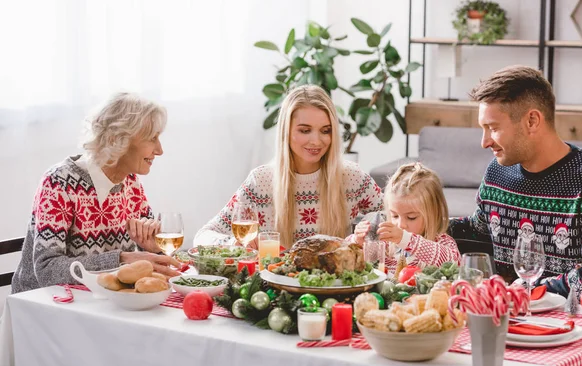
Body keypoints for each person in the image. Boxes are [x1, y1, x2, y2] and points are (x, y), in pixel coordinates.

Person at [449, 65, 582, 298]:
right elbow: (478, 232)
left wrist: (525, 293)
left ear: (532, 121)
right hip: (506, 318)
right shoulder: (496, 173)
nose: (484, 142)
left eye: (493, 128)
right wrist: (419, 224)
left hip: (569, 327)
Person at [12, 93, 181, 293]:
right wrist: (121, 259)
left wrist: (151, 248)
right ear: (119, 140)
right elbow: (47, 270)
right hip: (43, 306)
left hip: (100, 301)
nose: (159, 150)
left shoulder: (131, 183)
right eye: (152, 138)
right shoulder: (59, 182)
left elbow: (143, 262)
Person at [194, 85, 383, 249]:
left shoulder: (352, 177)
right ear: (286, 131)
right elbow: (204, 236)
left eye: (325, 131)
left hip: (336, 286)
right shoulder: (261, 182)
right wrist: (234, 244)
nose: (316, 141)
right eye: (305, 130)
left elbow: (393, 217)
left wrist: (368, 228)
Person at [351, 162, 460, 271]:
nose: (400, 225)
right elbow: (370, 266)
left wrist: (405, 239)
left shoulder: (443, 242)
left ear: (434, 213)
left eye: (411, 217)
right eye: (394, 216)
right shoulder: (385, 243)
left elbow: (454, 264)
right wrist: (358, 243)